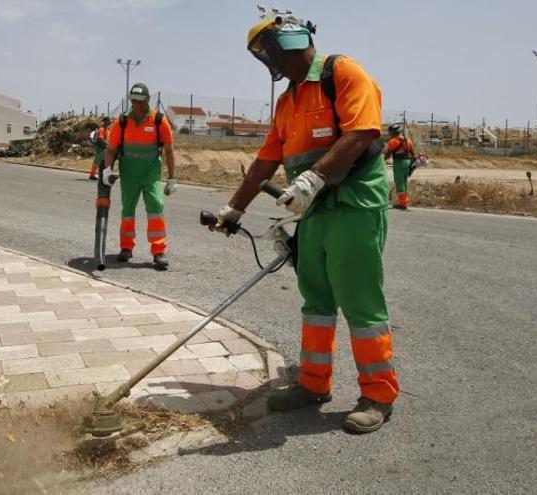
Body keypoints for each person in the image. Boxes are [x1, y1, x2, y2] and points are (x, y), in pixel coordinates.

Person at [215, 12, 399, 433]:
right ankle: (314, 383)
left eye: (269, 49)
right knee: (316, 299)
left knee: (360, 302)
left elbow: (362, 132)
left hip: (353, 205)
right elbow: (267, 157)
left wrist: (313, 177)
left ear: (291, 39)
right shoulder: (289, 100)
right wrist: (235, 208)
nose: (269, 61)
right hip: (316, 213)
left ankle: (379, 393)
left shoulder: (343, 73)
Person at [102, 83, 177, 270]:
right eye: (133, 101)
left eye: (139, 101)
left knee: (155, 206)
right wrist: (107, 171)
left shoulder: (159, 121)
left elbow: (169, 150)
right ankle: (126, 248)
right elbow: (111, 149)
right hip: (129, 173)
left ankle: (158, 251)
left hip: (151, 173)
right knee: (127, 210)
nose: (135, 104)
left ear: (147, 101)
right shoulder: (122, 122)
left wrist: (172, 178)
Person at [384, 124, 415, 209]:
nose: (389, 134)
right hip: (408, 162)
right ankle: (404, 201)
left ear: (393, 132)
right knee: (404, 182)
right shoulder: (408, 140)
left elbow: (387, 155)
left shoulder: (393, 142)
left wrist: (381, 161)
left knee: (399, 182)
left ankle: (403, 204)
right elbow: (412, 153)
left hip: (399, 163)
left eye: (390, 132)